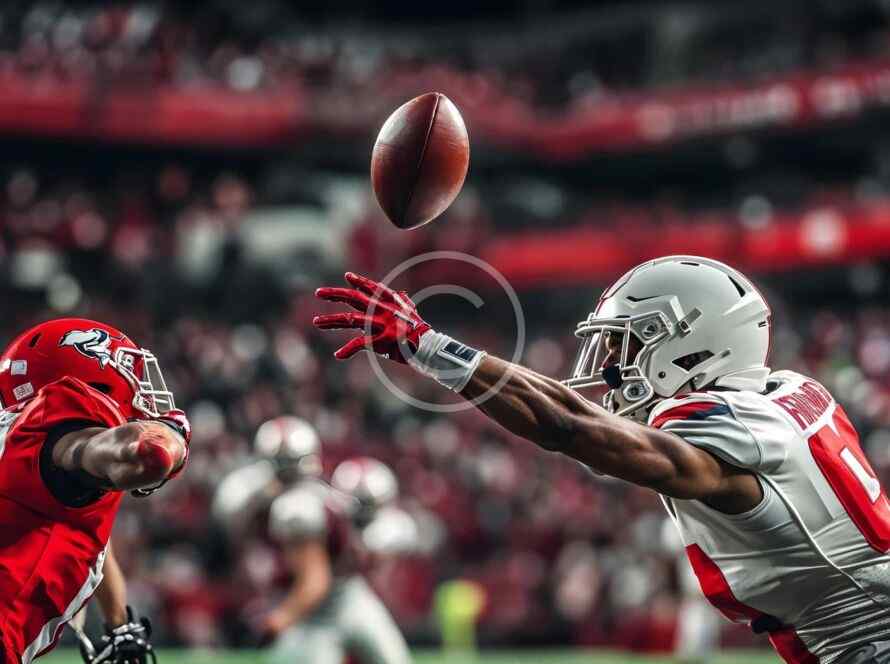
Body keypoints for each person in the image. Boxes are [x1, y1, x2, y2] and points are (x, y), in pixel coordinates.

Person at [314, 256, 890, 664]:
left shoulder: (724, 429)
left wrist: (430, 346)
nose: (611, 367)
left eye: (627, 344)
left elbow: (571, 426)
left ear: (695, 345)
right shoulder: (790, 394)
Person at [0, 318, 191, 664]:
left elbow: (92, 540)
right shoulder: (58, 430)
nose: (141, 390)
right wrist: (171, 433)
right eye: (130, 373)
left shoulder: (22, 442)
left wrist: (118, 623)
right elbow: (144, 455)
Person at [264, 455, 413, 664]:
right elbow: (316, 580)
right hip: (318, 612)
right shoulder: (312, 513)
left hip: (353, 595)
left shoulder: (391, 528)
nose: (363, 513)